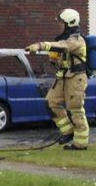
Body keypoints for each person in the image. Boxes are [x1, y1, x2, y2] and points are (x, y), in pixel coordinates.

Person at [26, 8, 90, 150]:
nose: (59, 26)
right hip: (64, 77)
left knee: (75, 109)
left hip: (76, 78)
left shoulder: (77, 40)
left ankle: (80, 144)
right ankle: (68, 132)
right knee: (50, 103)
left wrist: (41, 46)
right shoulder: (65, 40)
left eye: (61, 23)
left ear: (69, 24)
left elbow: (64, 47)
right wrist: (55, 59)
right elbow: (62, 55)